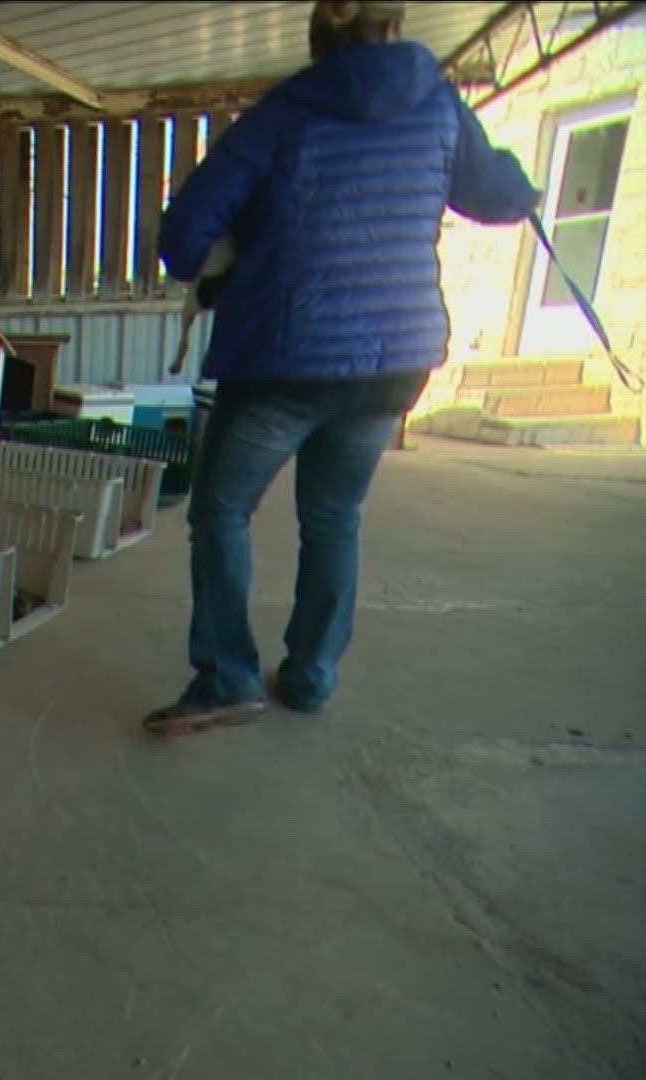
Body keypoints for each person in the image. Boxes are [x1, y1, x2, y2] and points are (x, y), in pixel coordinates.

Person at [143, 0, 539, 736]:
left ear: (319, 34)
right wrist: (518, 180)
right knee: (333, 513)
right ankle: (311, 676)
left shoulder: (282, 114)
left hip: (288, 356)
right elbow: (502, 198)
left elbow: (183, 237)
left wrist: (250, 243)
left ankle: (228, 677)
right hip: (397, 359)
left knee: (221, 510)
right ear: (395, 26)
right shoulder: (441, 109)